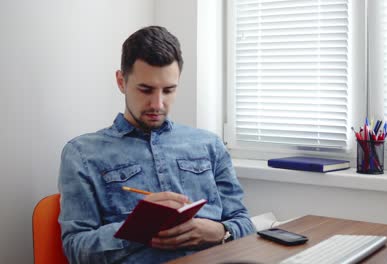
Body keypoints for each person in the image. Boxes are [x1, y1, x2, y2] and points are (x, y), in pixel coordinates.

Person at [58, 26, 255, 264]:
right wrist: (138, 229)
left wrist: (219, 231)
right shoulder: (82, 154)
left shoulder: (209, 144)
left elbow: (244, 223)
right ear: (122, 81)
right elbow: (76, 250)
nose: (157, 104)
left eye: (169, 90)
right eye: (146, 89)